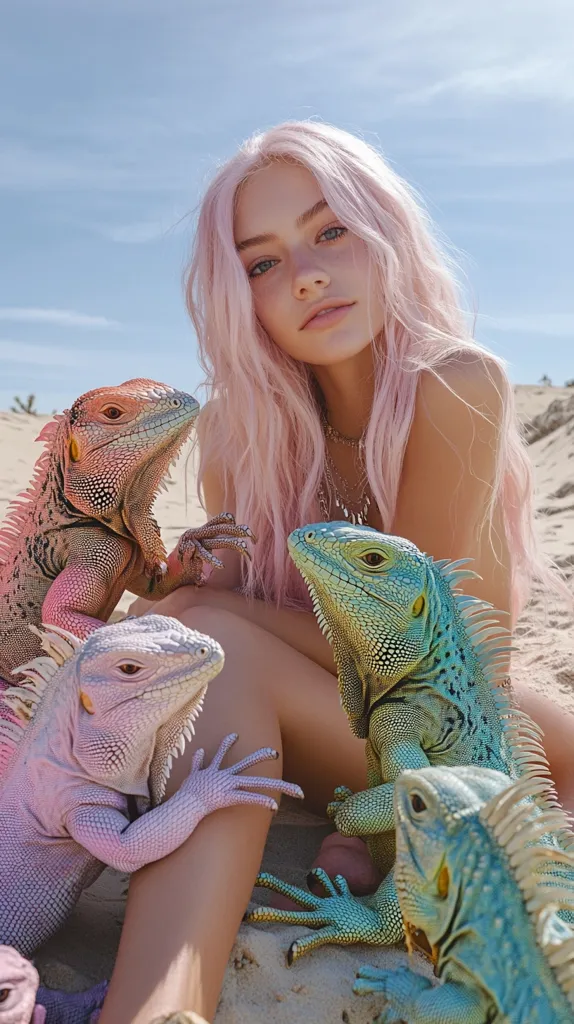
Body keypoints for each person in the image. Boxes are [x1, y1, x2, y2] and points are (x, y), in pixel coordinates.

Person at [97, 121, 573, 1023]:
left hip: (472, 747)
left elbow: (429, 667)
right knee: (194, 641)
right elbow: (227, 613)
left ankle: (157, 1006)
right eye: (263, 262)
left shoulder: (455, 384)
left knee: (210, 644)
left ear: (385, 231)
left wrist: (212, 611)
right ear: (238, 294)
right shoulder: (244, 430)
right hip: (360, 740)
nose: (307, 275)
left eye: (330, 231)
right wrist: (189, 587)